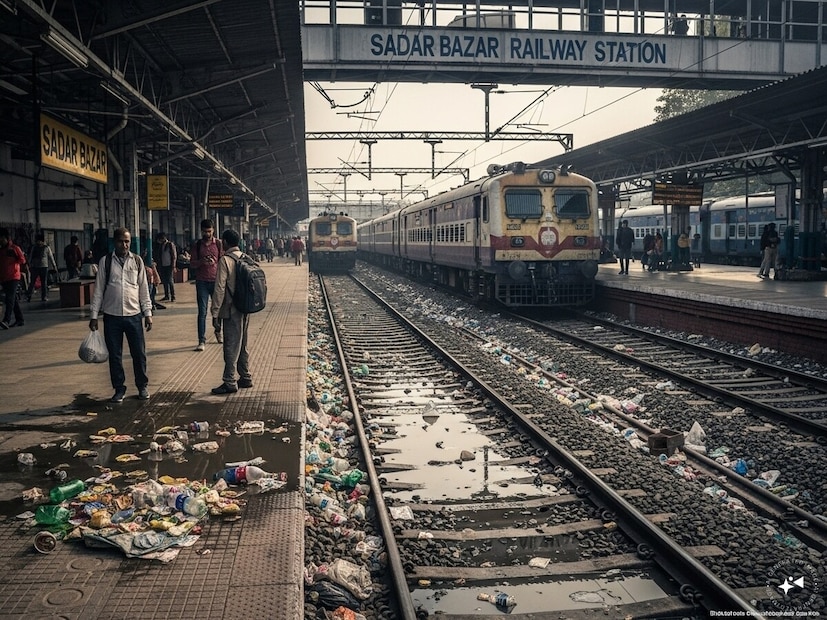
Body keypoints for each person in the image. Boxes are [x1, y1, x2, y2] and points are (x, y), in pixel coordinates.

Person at [88, 227, 153, 403]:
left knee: (139, 353)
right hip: (112, 316)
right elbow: (99, 290)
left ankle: (142, 386)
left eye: (127, 241)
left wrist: (148, 313)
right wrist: (94, 315)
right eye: (120, 241)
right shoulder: (106, 262)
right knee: (115, 355)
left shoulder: (137, 261)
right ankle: (119, 389)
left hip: (134, 315)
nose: (124, 245)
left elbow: (143, 290)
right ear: (114, 242)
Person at [210, 229, 252, 395]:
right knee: (243, 344)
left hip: (231, 308)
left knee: (231, 345)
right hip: (246, 307)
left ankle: (229, 381)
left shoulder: (225, 260)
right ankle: (246, 377)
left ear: (225, 242)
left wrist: (215, 313)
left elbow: (220, 288)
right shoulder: (245, 257)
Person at [190, 218, 224, 351]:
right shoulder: (197, 245)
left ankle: (218, 331)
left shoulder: (219, 244)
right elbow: (192, 263)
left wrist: (215, 261)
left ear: (213, 230)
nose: (207, 234)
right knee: (202, 311)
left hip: (216, 281)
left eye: (209, 231)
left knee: (218, 310)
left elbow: (223, 260)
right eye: (205, 232)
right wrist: (201, 262)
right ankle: (201, 340)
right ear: (201, 231)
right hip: (202, 282)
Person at [0, 228, 26, 329]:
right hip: (4, 278)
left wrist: (14, 260)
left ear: (6, 238)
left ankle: (6, 320)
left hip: (14, 277)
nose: (0, 240)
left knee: (9, 298)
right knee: (13, 299)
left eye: (2, 238)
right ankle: (20, 319)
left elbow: (22, 260)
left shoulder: (14, 248)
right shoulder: (1, 250)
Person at [26, 233, 58, 302]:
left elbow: (51, 257)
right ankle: (28, 295)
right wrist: (29, 264)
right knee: (32, 282)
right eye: (37, 241)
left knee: (44, 282)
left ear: (42, 241)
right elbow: (30, 256)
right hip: (35, 266)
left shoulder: (46, 247)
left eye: (39, 241)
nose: (38, 242)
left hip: (44, 267)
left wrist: (54, 265)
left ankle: (44, 296)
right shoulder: (34, 247)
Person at [155, 232, 177, 302]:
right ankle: (166, 295)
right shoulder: (161, 246)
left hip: (169, 266)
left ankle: (173, 296)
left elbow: (174, 256)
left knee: (170, 281)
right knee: (164, 281)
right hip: (163, 266)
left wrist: (173, 266)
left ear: (163, 238)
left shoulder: (170, 245)